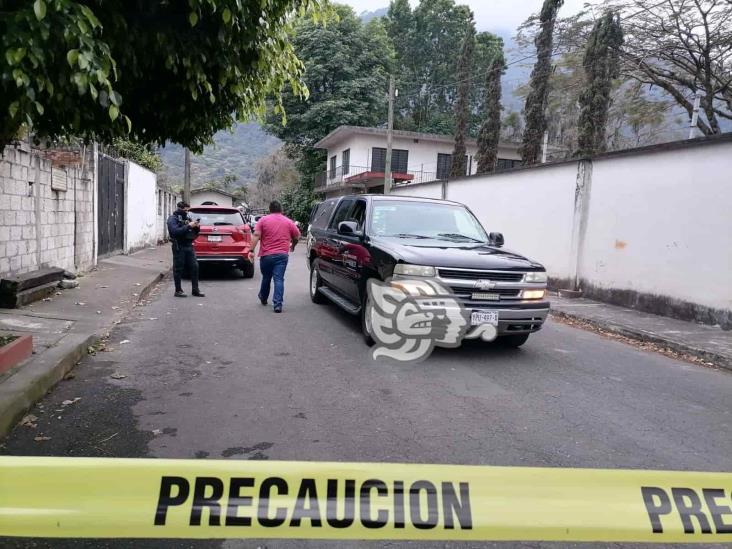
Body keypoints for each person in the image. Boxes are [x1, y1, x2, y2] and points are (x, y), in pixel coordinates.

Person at [248, 200, 300, 313]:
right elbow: (297, 236)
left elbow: (256, 235)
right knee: (279, 279)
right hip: (282, 255)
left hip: (266, 255)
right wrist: (293, 246)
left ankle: (263, 298)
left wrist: (251, 250)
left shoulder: (263, 220)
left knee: (266, 277)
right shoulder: (288, 221)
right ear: (281, 210)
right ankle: (277, 305)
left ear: (270, 210)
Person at [167, 201, 205, 298]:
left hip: (189, 245)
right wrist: (188, 226)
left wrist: (196, 227)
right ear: (180, 208)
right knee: (178, 268)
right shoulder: (173, 219)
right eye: (185, 210)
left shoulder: (188, 218)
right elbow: (175, 232)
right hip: (178, 246)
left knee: (195, 267)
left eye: (188, 210)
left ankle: (195, 290)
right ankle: (178, 290)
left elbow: (193, 233)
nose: (187, 212)